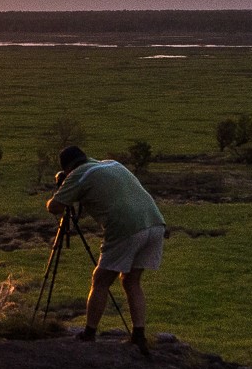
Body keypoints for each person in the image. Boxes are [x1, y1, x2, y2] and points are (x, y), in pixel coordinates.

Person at [45, 145, 166, 355]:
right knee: (131, 280)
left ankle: (89, 334)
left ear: (68, 168)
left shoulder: (78, 176)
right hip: (155, 224)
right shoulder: (112, 163)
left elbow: (54, 207)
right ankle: (138, 336)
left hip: (127, 228)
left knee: (100, 280)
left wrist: (63, 186)